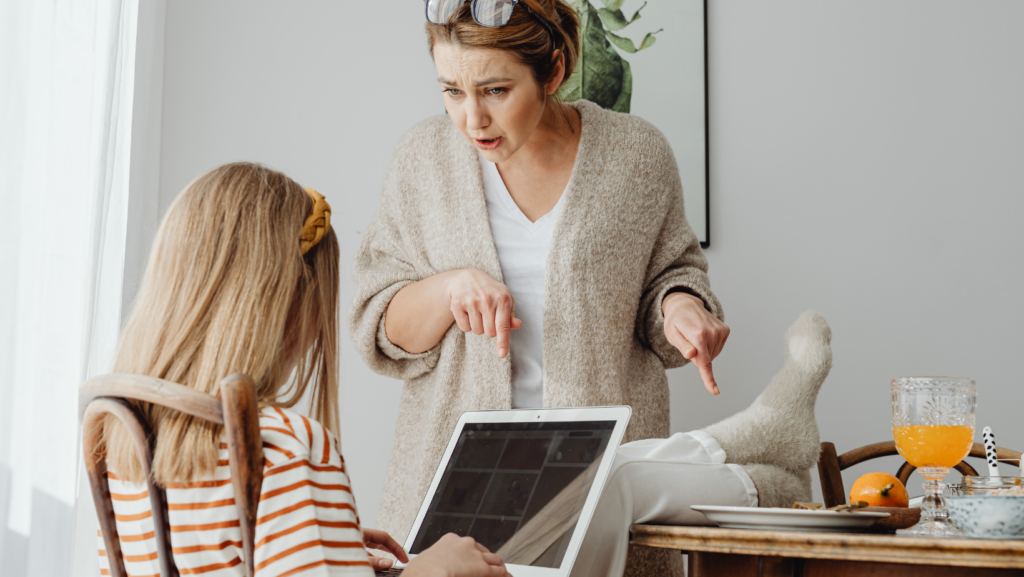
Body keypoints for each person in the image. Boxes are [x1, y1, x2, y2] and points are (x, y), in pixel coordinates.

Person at [348, 0, 729, 573]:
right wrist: (451, 288)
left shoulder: (636, 155)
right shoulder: (421, 160)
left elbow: (670, 275)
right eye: (451, 91)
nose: (472, 118)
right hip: (454, 491)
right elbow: (377, 326)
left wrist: (681, 307)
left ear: (551, 72)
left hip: (601, 482)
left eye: (496, 91)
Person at [97, 163, 510, 577]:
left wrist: (319, 541)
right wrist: (434, 571)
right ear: (290, 300)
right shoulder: (280, 446)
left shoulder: (125, 431)